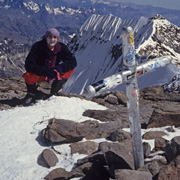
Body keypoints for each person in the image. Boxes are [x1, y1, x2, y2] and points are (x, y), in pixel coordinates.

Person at [22, 28, 77, 104]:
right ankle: (32, 92)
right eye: (50, 37)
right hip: (41, 74)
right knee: (29, 75)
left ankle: (56, 89)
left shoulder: (61, 48)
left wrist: (60, 68)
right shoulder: (37, 46)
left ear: (57, 39)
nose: (52, 39)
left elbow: (72, 61)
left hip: (55, 73)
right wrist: (43, 70)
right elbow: (29, 64)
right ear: (46, 37)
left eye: (55, 37)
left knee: (70, 69)